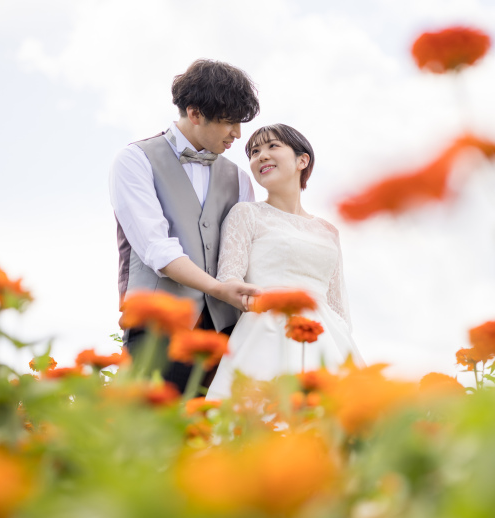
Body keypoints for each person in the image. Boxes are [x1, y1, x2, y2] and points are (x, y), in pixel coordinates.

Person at [110, 59, 261, 394]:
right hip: (157, 329)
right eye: (229, 122)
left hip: (224, 334)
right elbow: (156, 249)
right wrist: (218, 288)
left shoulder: (239, 178)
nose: (237, 133)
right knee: (146, 434)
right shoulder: (135, 160)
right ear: (194, 113)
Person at [206, 124, 363, 399]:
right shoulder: (246, 214)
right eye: (254, 152)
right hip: (264, 333)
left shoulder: (328, 232)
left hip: (325, 338)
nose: (261, 156)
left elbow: (338, 306)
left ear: (302, 160)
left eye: (272, 146)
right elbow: (229, 276)